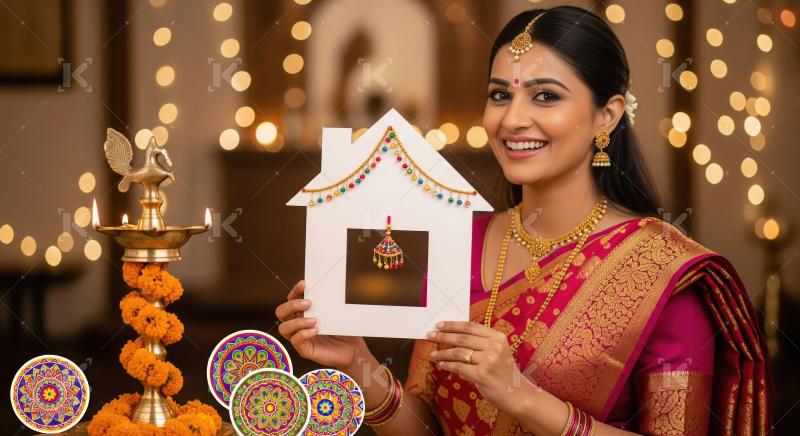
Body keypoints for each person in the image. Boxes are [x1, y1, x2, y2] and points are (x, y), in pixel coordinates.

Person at [276, 6, 773, 435]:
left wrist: (522, 396)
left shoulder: (662, 274)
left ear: (608, 115)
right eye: (499, 95)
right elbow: (430, 424)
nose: (511, 119)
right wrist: (359, 364)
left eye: (545, 96)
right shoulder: (458, 237)